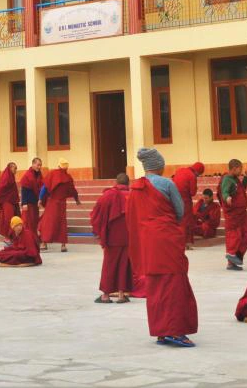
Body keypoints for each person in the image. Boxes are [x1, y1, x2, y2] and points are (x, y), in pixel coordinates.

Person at [128, 147, 198, 348]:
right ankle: (174, 331)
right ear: (159, 166)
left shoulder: (136, 187)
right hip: (166, 240)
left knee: (156, 287)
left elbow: (133, 217)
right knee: (174, 285)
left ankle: (161, 331)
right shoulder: (167, 183)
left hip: (148, 243)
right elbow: (180, 211)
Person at [91, 173, 133, 304]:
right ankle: (121, 295)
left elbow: (96, 215)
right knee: (123, 265)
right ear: (128, 183)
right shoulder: (133, 196)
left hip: (111, 237)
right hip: (128, 237)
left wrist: (99, 232)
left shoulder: (107, 195)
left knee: (109, 265)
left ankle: (106, 295)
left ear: (116, 182)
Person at [39, 160, 80, 252]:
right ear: (66, 168)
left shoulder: (52, 174)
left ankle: (44, 243)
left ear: (58, 166)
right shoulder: (68, 177)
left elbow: (45, 187)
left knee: (48, 223)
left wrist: (40, 199)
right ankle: (63, 245)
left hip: (52, 202)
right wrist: (77, 200)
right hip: (62, 204)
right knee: (62, 223)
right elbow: (73, 190)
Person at [220, 159, 247, 270]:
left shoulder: (235, 179)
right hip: (233, 214)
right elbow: (224, 191)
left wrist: (246, 179)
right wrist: (227, 197)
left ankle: (237, 257)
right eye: (240, 169)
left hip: (241, 213)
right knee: (235, 236)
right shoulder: (227, 180)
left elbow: (241, 190)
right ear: (234, 168)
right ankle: (231, 259)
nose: (241, 171)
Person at [171, 162, 205, 247]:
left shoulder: (180, 170)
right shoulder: (192, 176)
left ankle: (177, 241)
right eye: (199, 174)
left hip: (174, 198)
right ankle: (185, 243)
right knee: (185, 222)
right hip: (185, 201)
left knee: (178, 220)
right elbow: (193, 192)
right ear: (197, 171)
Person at [19, 158, 44, 250]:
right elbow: (24, 190)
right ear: (33, 164)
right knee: (27, 223)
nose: (39, 167)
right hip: (28, 203)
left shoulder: (39, 174)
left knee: (34, 223)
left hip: (35, 203)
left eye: (40, 165)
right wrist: (24, 203)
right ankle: (26, 241)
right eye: (38, 165)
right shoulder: (27, 175)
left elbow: (41, 186)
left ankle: (33, 240)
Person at [0, 162, 19, 239]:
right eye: (14, 168)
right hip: (7, 202)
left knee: (13, 218)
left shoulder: (11, 177)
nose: (16, 170)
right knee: (9, 219)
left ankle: (12, 236)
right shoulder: (6, 177)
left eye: (16, 168)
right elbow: (0, 189)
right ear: (10, 168)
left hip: (12, 201)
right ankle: (8, 237)